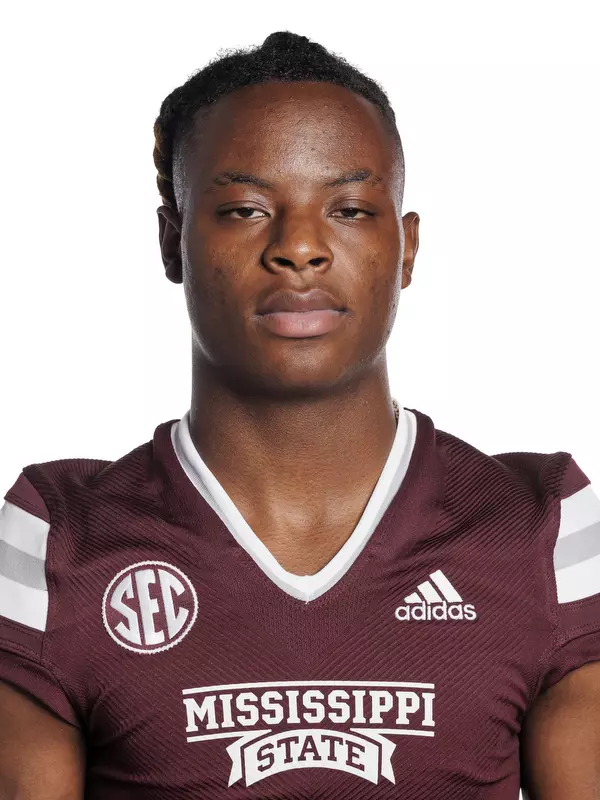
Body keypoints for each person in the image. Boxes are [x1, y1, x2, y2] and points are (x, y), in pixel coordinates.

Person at [0, 30, 599, 800]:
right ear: (172, 240)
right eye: (246, 209)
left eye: (348, 208)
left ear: (407, 248)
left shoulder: (539, 529)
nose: (301, 248)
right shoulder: (57, 543)